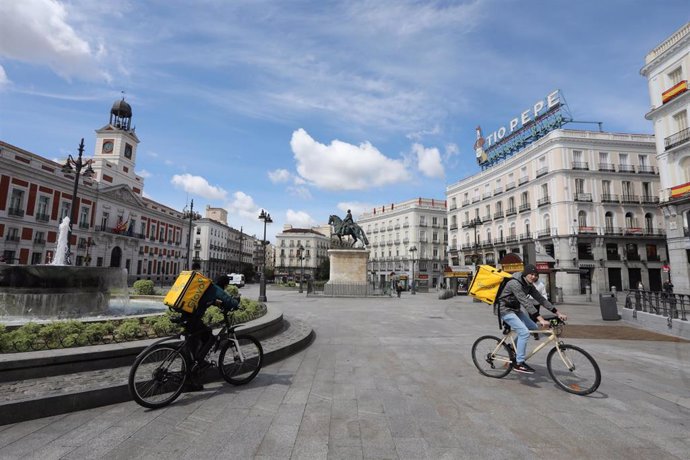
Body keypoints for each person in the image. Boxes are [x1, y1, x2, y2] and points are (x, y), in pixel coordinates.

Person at [496, 264, 567, 374]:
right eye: (531, 274)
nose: (534, 277)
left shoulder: (529, 285)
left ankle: (511, 347)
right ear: (525, 274)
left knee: (532, 327)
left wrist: (557, 312)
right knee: (524, 332)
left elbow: (541, 299)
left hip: (515, 309)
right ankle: (519, 363)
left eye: (536, 275)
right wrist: (540, 319)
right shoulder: (514, 283)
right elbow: (526, 302)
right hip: (504, 309)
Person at [184, 274, 240, 391]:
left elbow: (205, 299)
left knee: (193, 346)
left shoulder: (208, 287)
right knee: (209, 337)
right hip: (193, 318)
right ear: (225, 285)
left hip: (187, 315)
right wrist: (236, 302)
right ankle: (193, 374)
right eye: (226, 286)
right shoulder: (215, 288)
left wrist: (215, 302)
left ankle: (190, 375)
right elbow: (229, 301)